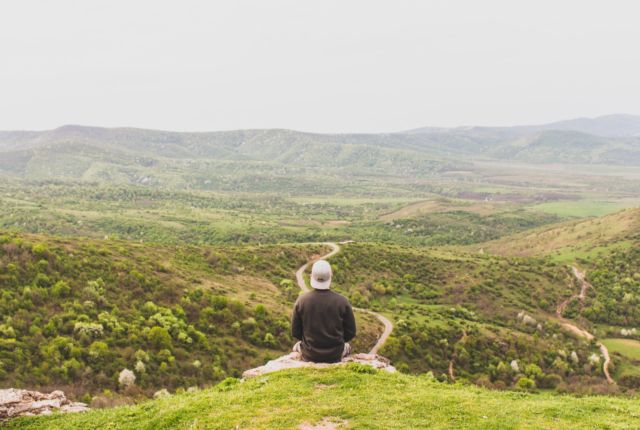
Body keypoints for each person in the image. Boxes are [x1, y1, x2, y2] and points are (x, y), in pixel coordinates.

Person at [291, 259, 356, 363]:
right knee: (347, 346)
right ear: (331, 276)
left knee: (296, 347)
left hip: (309, 354)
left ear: (311, 276)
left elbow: (295, 332)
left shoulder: (301, 301)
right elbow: (351, 332)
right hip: (335, 354)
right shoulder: (342, 301)